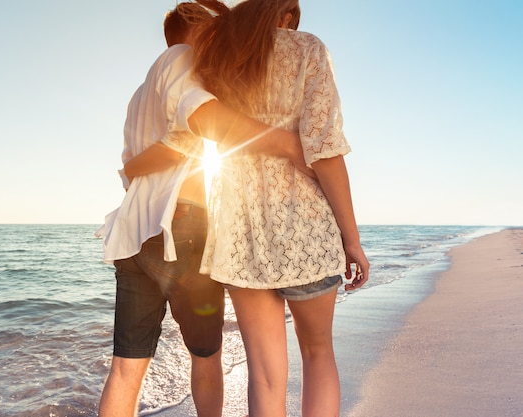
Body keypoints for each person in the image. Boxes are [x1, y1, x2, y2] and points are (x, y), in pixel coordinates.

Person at [127, 1, 370, 415]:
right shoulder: (306, 48)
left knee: (265, 376)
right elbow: (324, 149)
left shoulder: (217, 56)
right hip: (305, 229)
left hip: (241, 234)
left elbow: (195, 130)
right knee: (317, 354)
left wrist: (132, 167)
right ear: (287, 16)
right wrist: (353, 239)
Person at [95, 3, 312, 417]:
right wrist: (286, 144)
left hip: (133, 236)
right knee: (206, 357)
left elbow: (130, 171)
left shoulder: (140, 93)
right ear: (196, 29)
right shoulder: (182, 58)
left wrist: (141, 163)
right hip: (182, 227)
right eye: (213, 29)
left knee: (126, 369)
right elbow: (202, 122)